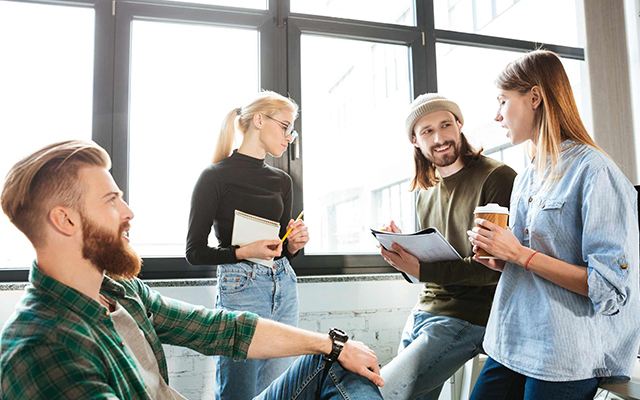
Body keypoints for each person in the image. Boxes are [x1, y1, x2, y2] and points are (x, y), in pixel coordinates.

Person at [0, 139, 384, 399]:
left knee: (334, 359)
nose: (129, 212)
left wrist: (333, 344)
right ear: (65, 220)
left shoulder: (119, 290)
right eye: (112, 200)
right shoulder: (42, 349)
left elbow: (221, 328)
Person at [467, 50, 640, 400]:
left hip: (565, 351)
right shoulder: (527, 175)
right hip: (512, 339)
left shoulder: (595, 171)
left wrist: (520, 255)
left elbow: (607, 288)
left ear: (535, 97)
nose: (496, 115)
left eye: (503, 101)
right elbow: (533, 256)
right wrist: (503, 259)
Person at [378, 94, 517, 400]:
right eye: (427, 131)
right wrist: (404, 253)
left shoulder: (496, 178)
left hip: (473, 313)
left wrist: (422, 268)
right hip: (426, 308)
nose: (439, 138)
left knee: (383, 393)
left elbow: (495, 268)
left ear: (460, 125)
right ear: (415, 140)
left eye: (445, 125)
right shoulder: (424, 193)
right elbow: (435, 264)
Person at [185, 91, 309, 399]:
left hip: (283, 286)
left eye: (291, 130)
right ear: (258, 120)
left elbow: (282, 251)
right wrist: (243, 252)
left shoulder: (283, 180)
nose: (289, 137)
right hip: (241, 289)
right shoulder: (214, 177)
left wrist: (293, 244)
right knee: (237, 393)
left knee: (277, 392)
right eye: (284, 126)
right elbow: (194, 252)